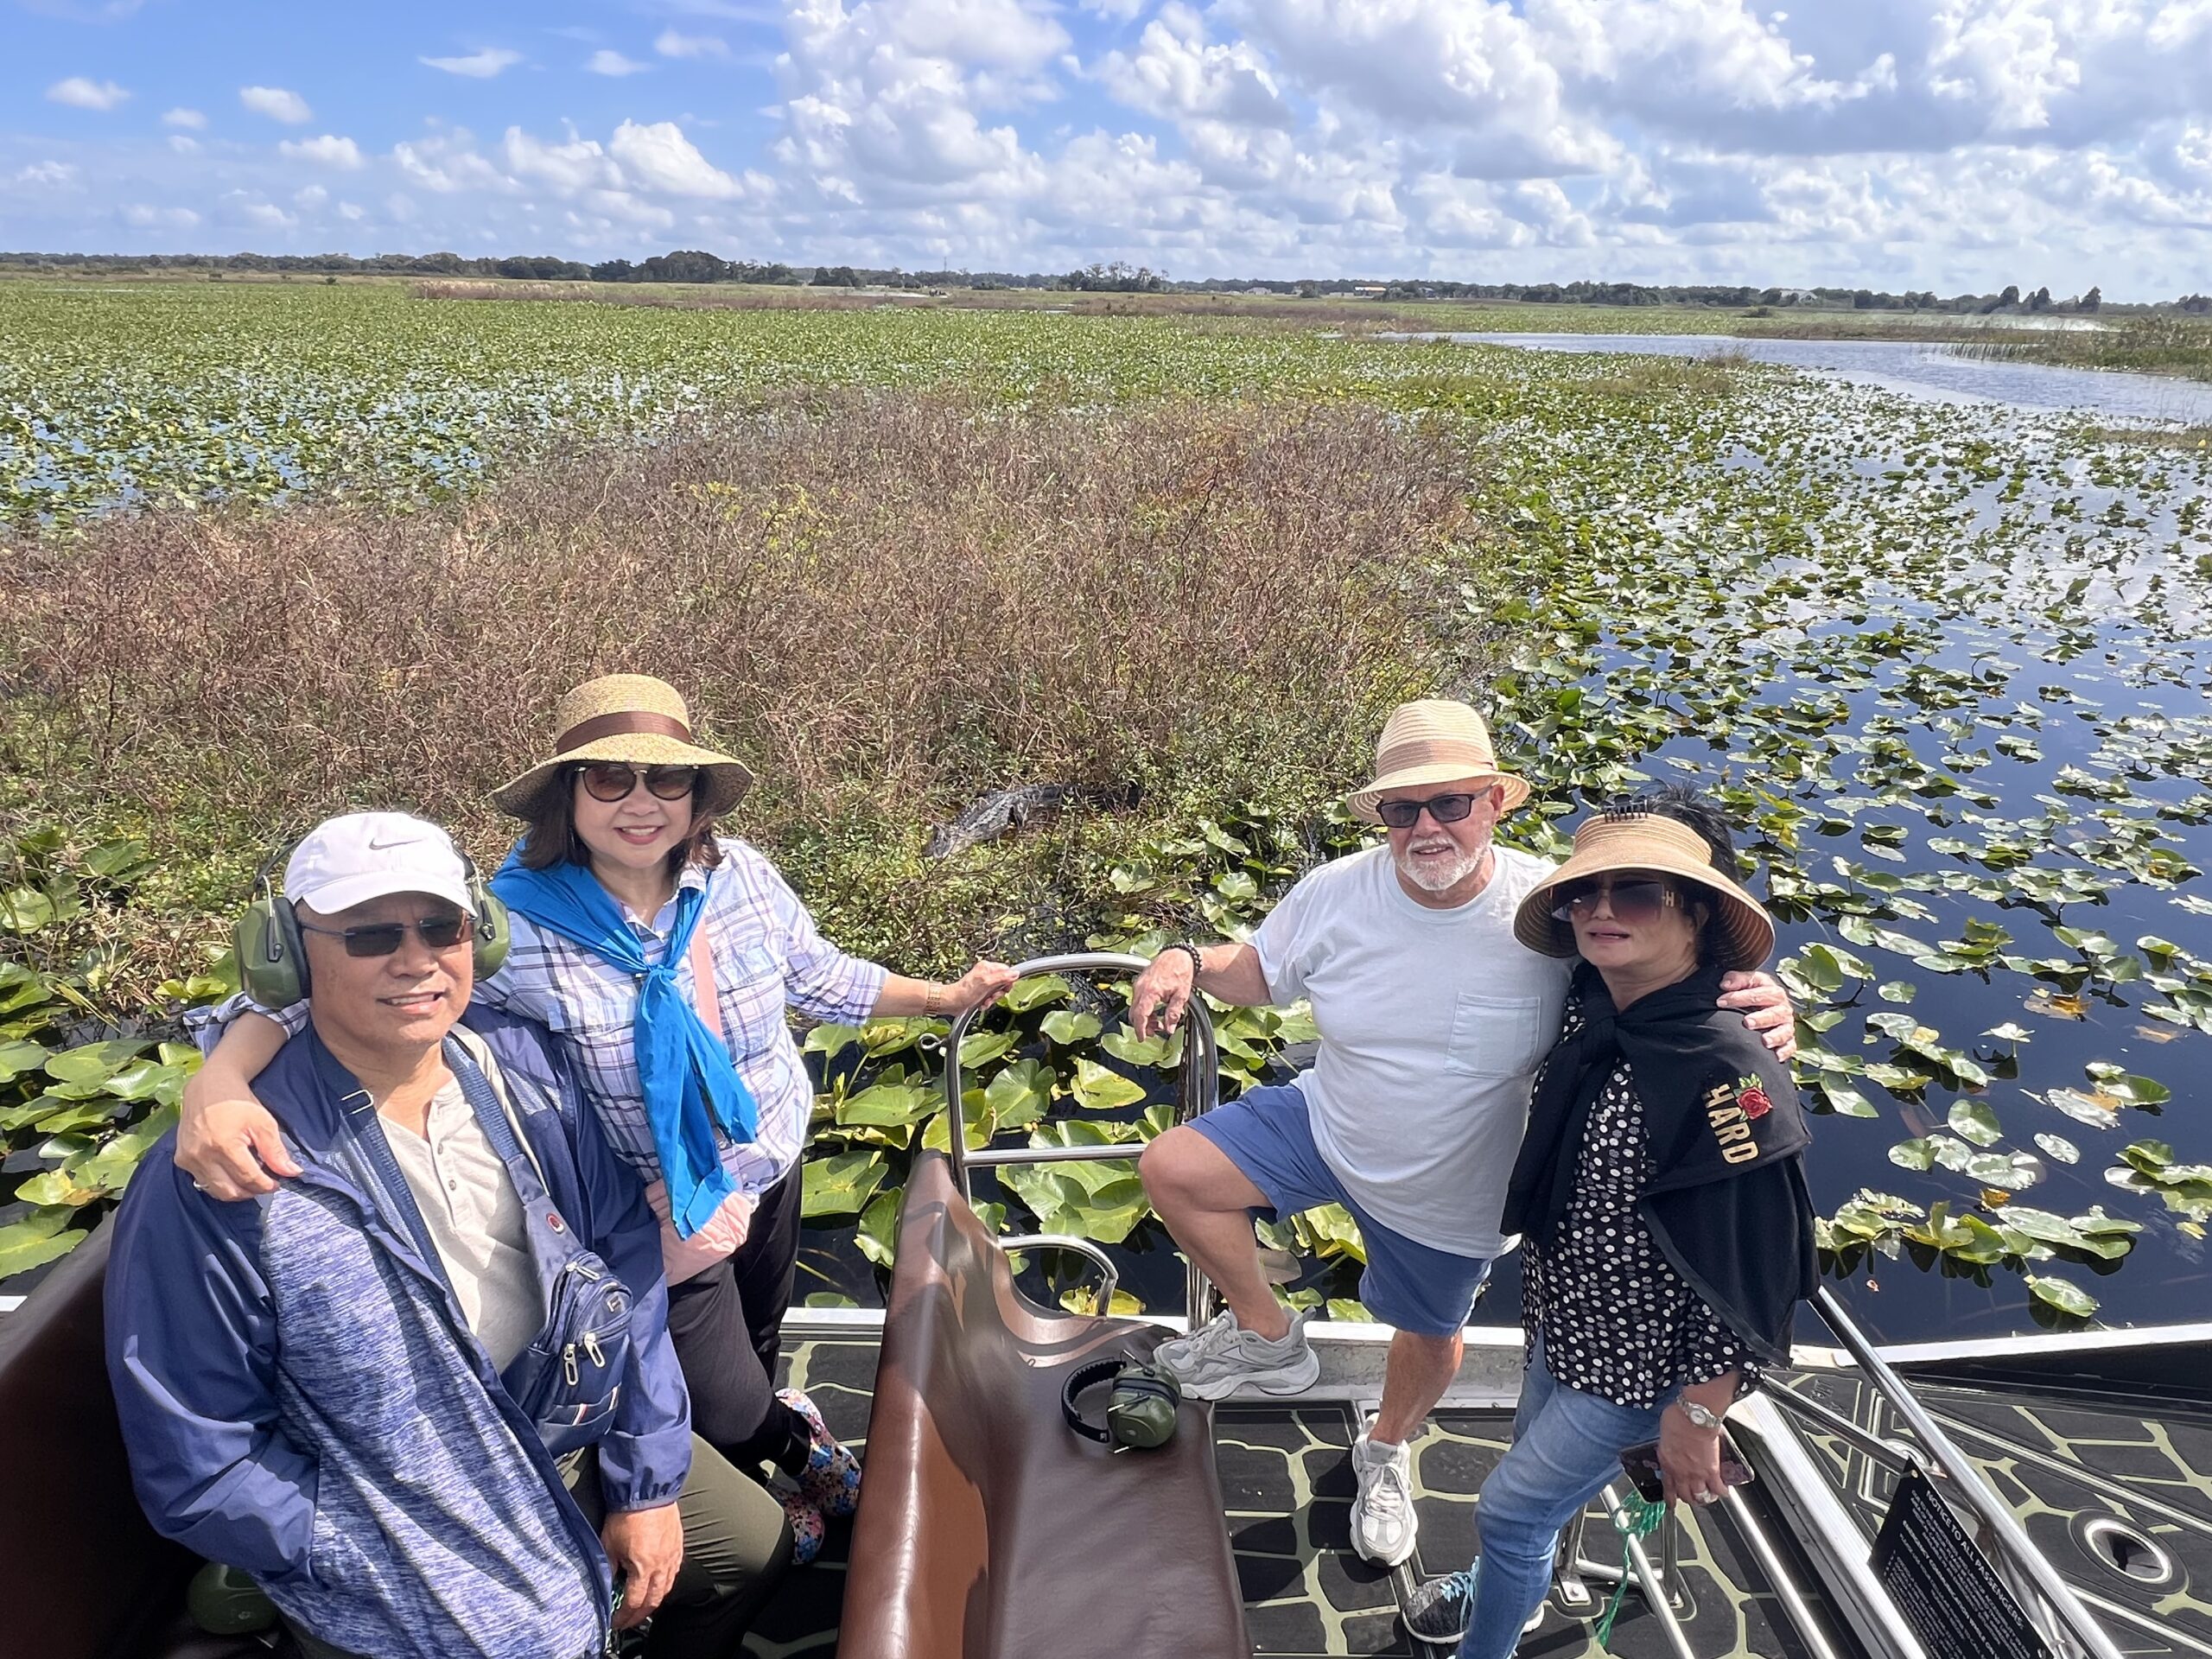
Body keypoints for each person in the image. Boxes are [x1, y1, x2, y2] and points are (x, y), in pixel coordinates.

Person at [178, 675, 1017, 1560]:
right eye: (610, 780)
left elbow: (822, 977)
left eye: (667, 781)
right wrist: (222, 1081)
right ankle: (788, 1450)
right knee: (725, 1396)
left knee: (759, 1343)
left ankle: (755, 1457)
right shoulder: (504, 925)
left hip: (765, 1161)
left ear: (696, 798)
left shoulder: (741, 880)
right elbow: (323, 995)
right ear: (568, 796)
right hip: (645, 1209)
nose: (641, 804)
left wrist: (944, 995)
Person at [1128, 701, 1796, 1569]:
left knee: (1428, 1336)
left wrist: (1767, 1002)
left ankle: (1385, 1449)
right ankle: (1266, 1337)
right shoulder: (1334, 890)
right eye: (1403, 809)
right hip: (1328, 1121)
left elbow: (1664, 970)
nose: (1426, 826)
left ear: (1495, 802)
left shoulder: (1552, 913)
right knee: (1174, 1167)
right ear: (1383, 820)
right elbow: (1260, 968)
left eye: (1450, 803)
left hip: (1454, 1186)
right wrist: (1184, 957)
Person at [108, 812, 790, 1659]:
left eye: (440, 926)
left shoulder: (524, 1069)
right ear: (287, 953)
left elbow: (623, 1268)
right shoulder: (219, 1176)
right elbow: (201, 1462)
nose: (416, 958)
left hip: (556, 1428)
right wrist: (361, 1549)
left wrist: (646, 1485)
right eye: (369, 934)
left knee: (752, 1548)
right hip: (392, 1504)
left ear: (479, 937)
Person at [1401, 787, 1816, 1653]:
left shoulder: (1726, 1067)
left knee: (1508, 1509)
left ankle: (1492, 1633)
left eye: (1634, 894)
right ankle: (1510, 1582)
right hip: (1563, 1311)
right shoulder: (1599, 997)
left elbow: (1758, 1264)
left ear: (1698, 916)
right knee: (1532, 1477)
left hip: (1639, 1363)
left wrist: (1698, 1415)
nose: (1597, 910)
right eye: (1583, 892)